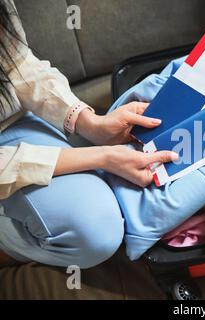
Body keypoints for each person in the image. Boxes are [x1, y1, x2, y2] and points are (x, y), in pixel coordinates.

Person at [0, 0, 177, 268]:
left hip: (15, 121)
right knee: (98, 236)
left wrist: (90, 124)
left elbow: (17, 63)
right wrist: (101, 156)